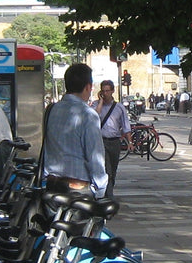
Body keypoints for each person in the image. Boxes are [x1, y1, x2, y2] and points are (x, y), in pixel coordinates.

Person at [42, 62, 108, 195]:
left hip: (52, 184)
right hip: (77, 187)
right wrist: (100, 190)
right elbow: (95, 156)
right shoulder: (88, 115)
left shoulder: (52, 110)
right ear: (88, 87)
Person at [93, 78, 131, 198]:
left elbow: (126, 125)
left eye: (107, 91)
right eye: (103, 91)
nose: (105, 93)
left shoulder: (119, 107)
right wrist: (100, 102)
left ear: (112, 91)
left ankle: (109, 189)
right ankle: (108, 196)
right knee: (106, 169)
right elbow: (94, 117)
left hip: (115, 142)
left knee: (113, 169)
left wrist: (130, 142)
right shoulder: (95, 105)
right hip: (101, 141)